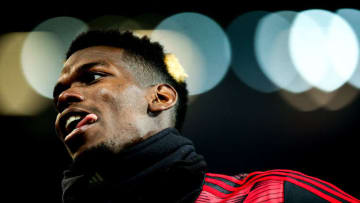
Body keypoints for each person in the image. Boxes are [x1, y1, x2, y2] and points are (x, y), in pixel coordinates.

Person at [53, 30, 359, 203]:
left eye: (93, 77)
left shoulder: (277, 195)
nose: (64, 97)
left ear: (160, 97)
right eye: (59, 94)